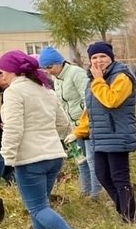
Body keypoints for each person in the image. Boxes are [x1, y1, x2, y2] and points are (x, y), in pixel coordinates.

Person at [0, 50, 78, 229]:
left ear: (14, 71)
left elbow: (14, 129)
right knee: (40, 206)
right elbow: (63, 123)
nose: (1, 76)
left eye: (3, 71)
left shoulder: (14, 92)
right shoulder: (45, 89)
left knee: (37, 207)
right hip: (54, 156)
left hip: (30, 159)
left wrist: (4, 158)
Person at [74, 41, 136, 223]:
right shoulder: (93, 80)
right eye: (94, 57)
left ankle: (130, 217)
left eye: (102, 56)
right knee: (102, 175)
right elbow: (92, 109)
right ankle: (123, 210)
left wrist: (99, 80)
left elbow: (112, 100)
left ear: (111, 57)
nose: (98, 60)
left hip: (117, 134)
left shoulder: (121, 76)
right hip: (99, 136)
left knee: (119, 177)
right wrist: (79, 131)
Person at [39, 46, 98, 199]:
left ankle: (97, 194)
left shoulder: (76, 73)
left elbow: (89, 100)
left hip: (87, 124)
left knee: (92, 160)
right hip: (72, 127)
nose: (48, 71)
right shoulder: (57, 79)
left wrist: (84, 124)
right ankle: (85, 192)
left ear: (59, 62)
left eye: (50, 66)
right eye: (45, 68)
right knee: (80, 160)